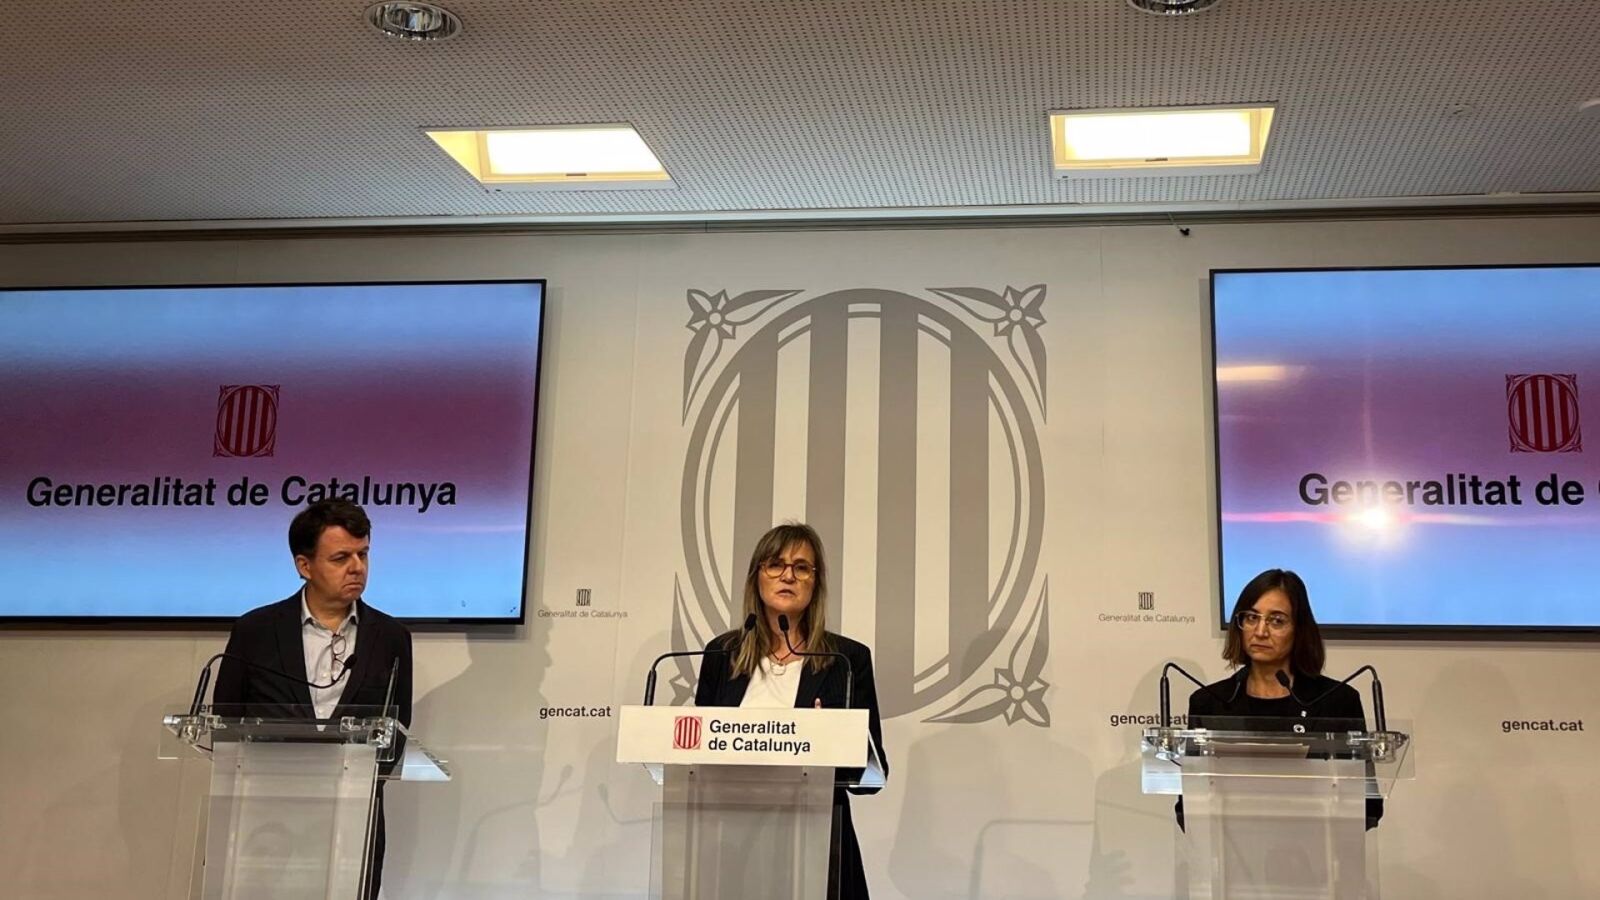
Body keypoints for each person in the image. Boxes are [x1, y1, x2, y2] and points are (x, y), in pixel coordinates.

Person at [212, 499, 414, 899]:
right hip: (264, 818)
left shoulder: (391, 638)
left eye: (363, 554)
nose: (357, 567)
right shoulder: (255, 631)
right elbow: (224, 725)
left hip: (352, 821)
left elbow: (397, 731)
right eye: (341, 558)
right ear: (304, 565)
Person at [695, 523, 888, 899]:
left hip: (817, 841)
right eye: (775, 564)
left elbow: (871, 776)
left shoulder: (846, 660)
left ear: (816, 583)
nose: (788, 576)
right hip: (732, 840)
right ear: (757, 576)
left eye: (801, 567)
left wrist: (829, 741)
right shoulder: (722, 654)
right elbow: (697, 755)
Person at [1177, 568, 1381, 830]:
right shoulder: (1209, 703)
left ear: (1299, 629)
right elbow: (1188, 807)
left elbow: (1367, 804)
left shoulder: (1337, 701)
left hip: (1318, 847)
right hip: (1233, 849)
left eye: (1276, 621)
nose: (1260, 631)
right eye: (1251, 617)